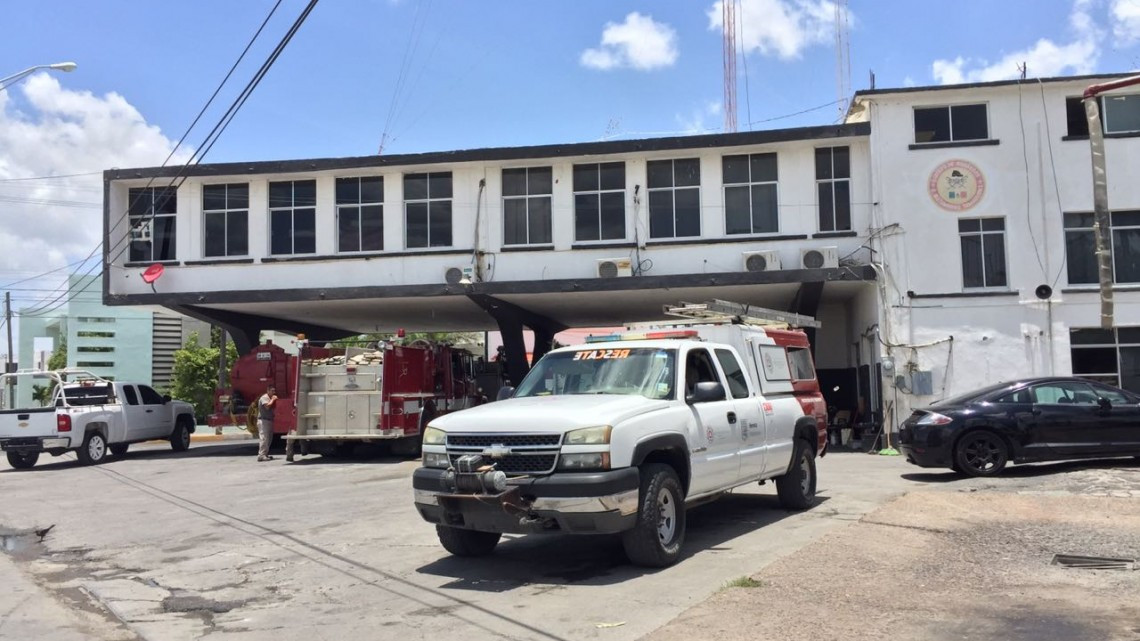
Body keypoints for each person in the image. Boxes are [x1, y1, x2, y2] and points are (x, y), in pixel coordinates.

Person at [257, 385, 277, 462]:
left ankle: (265, 454)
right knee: (264, 438)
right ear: (268, 390)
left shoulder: (270, 398)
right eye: (272, 391)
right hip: (263, 421)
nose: (273, 392)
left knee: (269, 438)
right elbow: (267, 407)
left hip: (269, 420)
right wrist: (273, 399)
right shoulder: (264, 397)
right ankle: (261, 455)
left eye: (274, 391)